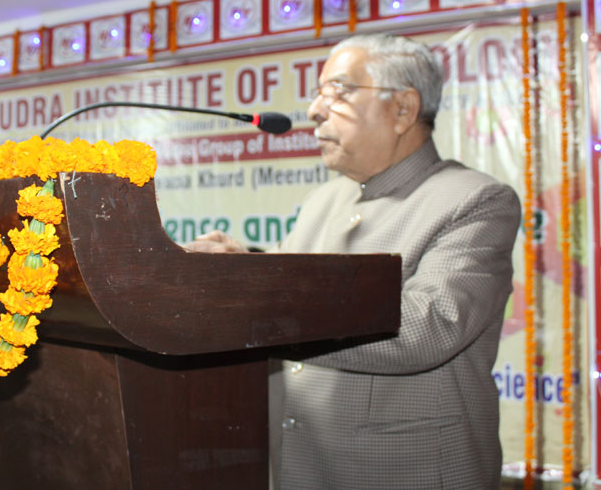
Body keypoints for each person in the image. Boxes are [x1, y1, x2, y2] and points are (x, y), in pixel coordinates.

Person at [187, 34, 521, 489]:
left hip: (404, 471)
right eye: (318, 93)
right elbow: (293, 286)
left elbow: (427, 328)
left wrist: (255, 290)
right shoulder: (323, 200)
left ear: (403, 109)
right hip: (299, 465)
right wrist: (239, 266)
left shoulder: (473, 200)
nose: (314, 110)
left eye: (338, 92)